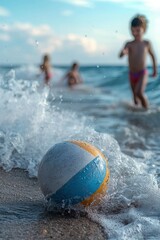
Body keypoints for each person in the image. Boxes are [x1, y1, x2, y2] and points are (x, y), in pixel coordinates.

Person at [119, 15, 157, 109]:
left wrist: (155, 70)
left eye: (138, 30)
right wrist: (123, 52)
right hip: (132, 74)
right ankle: (137, 117)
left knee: (139, 92)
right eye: (133, 31)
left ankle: (146, 111)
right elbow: (120, 55)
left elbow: (152, 56)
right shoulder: (129, 44)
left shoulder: (146, 43)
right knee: (135, 98)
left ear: (143, 29)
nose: (135, 33)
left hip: (142, 73)